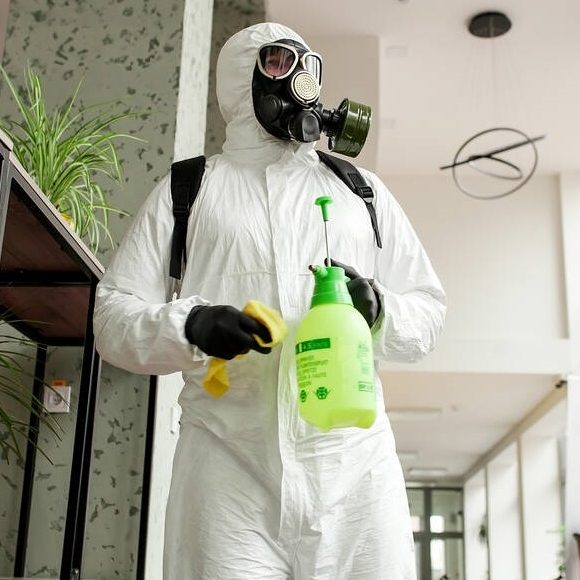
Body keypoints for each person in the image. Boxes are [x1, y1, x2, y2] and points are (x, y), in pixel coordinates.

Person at [94, 22, 446, 580]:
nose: (301, 80)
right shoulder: (190, 190)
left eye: (309, 66)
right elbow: (112, 317)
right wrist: (191, 325)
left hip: (354, 469)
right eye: (282, 64)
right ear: (243, 78)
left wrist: (380, 311)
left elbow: (428, 312)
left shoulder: (362, 192)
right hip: (227, 467)